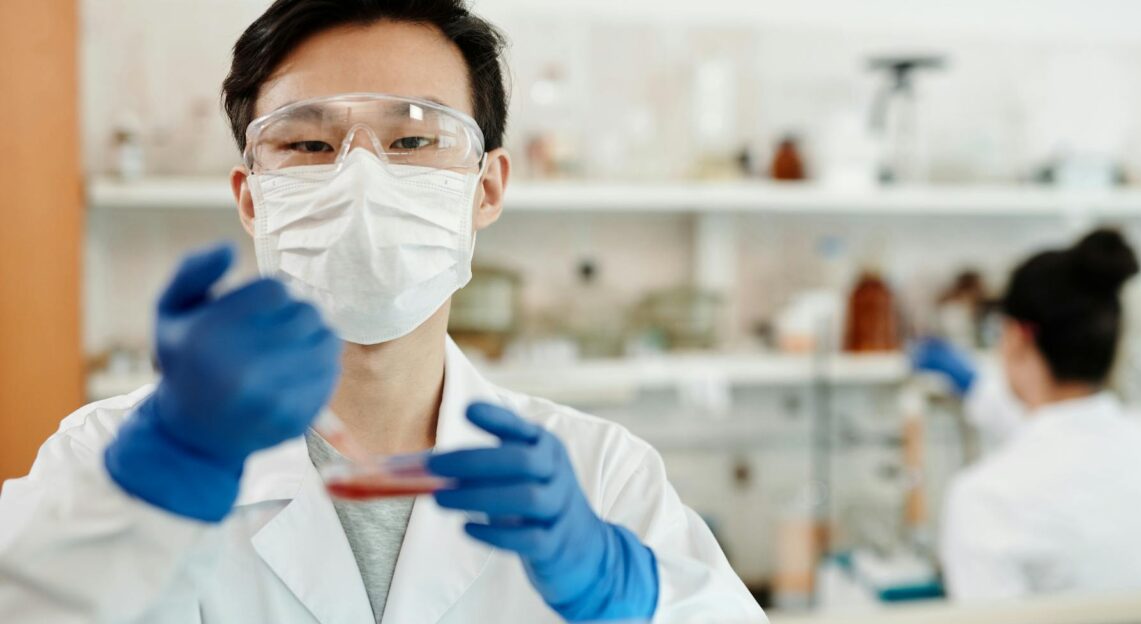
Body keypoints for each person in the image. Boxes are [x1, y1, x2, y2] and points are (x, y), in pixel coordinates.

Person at [0, 2, 766, 622]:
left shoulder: (602, 478)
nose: (360, 180)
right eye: (306, 144)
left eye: (412, 138)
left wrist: (628, 594)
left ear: (487, 189)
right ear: (250, 198)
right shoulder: (110, 459)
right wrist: (149, 495)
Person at [914, 229, 1141, 601]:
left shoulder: (982, 500)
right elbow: (1067, 440)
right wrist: (977, 387)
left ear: (1015, 338)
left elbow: (1053, 447)